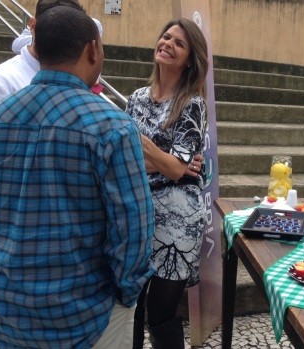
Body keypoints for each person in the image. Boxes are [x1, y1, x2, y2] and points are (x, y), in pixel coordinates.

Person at [0, 6, 155, 348]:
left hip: (4, 313)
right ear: (92, 50)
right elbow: (133, 228)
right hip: (86, 318)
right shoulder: (113, 125)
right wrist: (127, 292)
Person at [126, 18, 209, 348]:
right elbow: (132, 159)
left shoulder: (192, 104)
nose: (168, 44)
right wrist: (169, 159)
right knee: (131, 303)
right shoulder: (136, 98)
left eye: (179, 43)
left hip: (179, 219)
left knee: (159, 310)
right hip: (139, 211)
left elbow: (176, 171)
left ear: (190, 58)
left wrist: (144, 145)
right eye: (166, 37)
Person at [0, 0, 86, 109]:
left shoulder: (79, 82)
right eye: (53, 27)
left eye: (69, 31)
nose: (60, 36)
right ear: (32, 26)